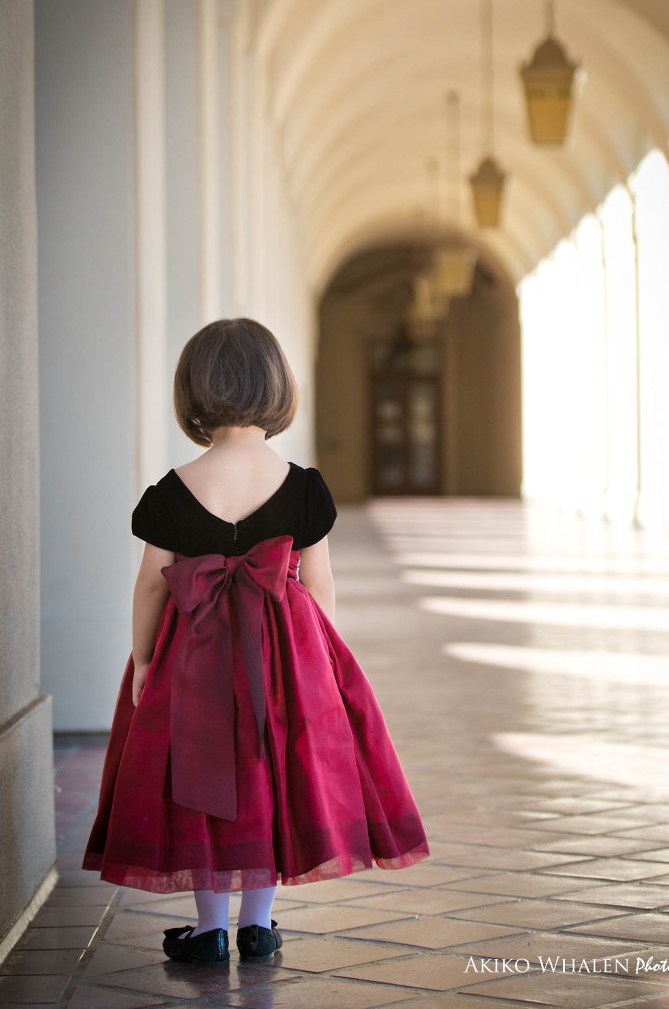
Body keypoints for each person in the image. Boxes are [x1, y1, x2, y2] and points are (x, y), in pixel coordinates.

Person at [81, 318, 430, 966]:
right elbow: (319, 585)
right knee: (272, 775)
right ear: (276, 388)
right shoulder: (303, 487)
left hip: (195, 659)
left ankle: (209, 929)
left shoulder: (173, 489)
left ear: (194, 392)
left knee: (200, 778)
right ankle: (259, 923)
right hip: (282, 657)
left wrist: (146, 658)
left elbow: (151, 587)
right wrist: (320, 659)